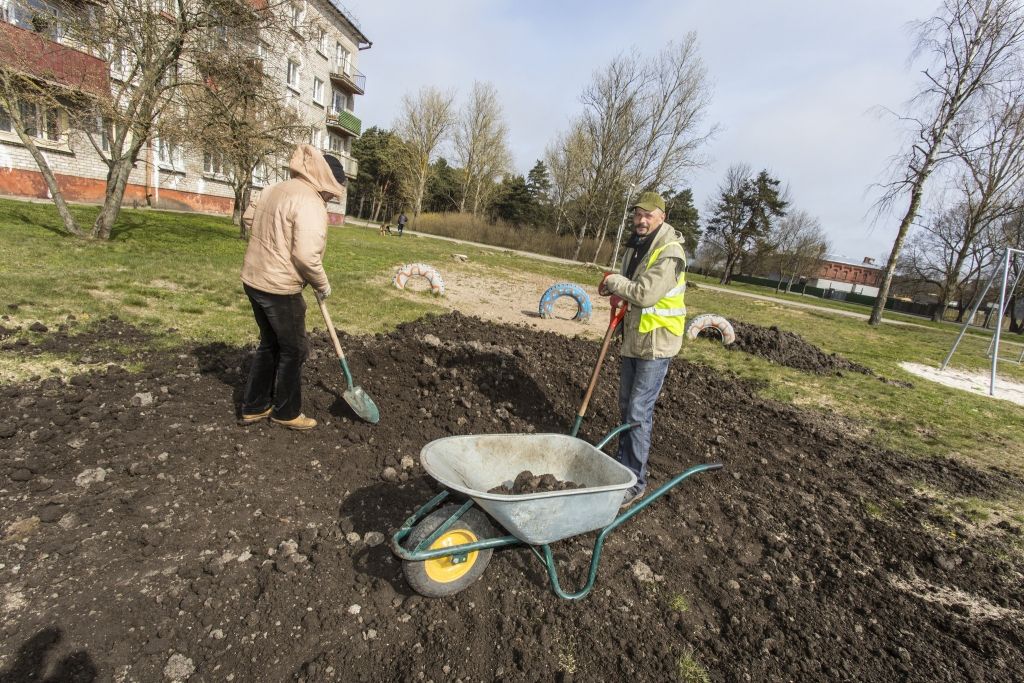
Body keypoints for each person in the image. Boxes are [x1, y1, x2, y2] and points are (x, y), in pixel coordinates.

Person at [237, 144, 347, 431]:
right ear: (325, 180)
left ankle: (255, 406)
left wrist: (275, 240)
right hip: (279, 287)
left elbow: (249, 219)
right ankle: (286, 412)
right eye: (332, 191)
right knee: (295, 349)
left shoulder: (274, 188)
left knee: (270, 343)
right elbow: (306, 256)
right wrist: (322, 284)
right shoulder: (310, 202)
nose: (331, 196)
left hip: (253, 279)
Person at [597, 191, 687, 506]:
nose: (641, 220)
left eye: (648, 215)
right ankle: (623, 467)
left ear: (662, 217)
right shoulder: (635, 246)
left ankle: (635, 481)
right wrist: (614, 289)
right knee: (626, 406)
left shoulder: (670, 252)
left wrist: (615, 282)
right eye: (637, 214)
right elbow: (627, 287)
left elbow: (646, 294)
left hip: (657, 343)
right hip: (634, 339)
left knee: (638, 410)